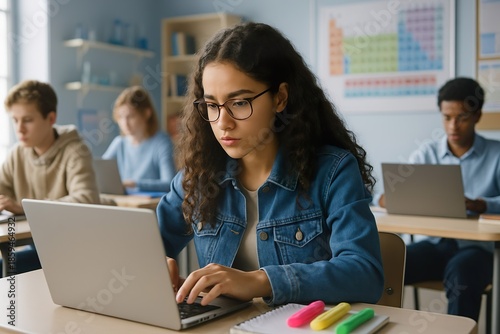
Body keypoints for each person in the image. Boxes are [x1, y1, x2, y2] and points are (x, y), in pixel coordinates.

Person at [157, 22, 384, 307]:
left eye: (239, 103)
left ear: (280, 98)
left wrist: (259, 281)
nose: (222, 122)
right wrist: (152, 263)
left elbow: (365, 275)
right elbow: (146, 243)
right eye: (212, 105)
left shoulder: (333, 172)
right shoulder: (200, 176)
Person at [378, 77, 500, 321]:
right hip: (435, 244)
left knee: (462, 274)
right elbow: (387, 196)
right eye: (446, 118)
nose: (453, 126)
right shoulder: (427, 152)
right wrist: (391, 199)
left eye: (462, 117)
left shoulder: (496, 154)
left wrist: (482, 204)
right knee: (388, 264)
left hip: (478, 249)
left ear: (477, 116)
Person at [0, 80, 100, 275]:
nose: (19, 129)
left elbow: (87, 200)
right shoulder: (17, 153)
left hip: (71, 250)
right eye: (15, 120)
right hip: (37, 244)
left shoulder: (76, 152)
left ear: (51, 118)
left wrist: (22, 207)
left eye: (27, 120)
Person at [102, 86, 176, 193]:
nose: (125, 123)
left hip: (151, 205)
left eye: (131, 116)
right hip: (125, 203)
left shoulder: (162, 142)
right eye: (121, 117)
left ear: (147, 113)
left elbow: (169, 183)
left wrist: (135, 184)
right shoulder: (119, 143)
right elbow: (100, 171)